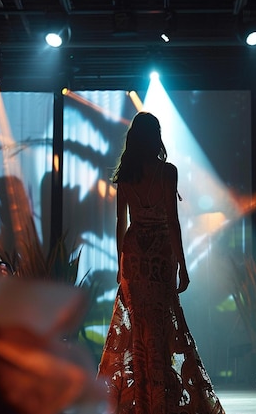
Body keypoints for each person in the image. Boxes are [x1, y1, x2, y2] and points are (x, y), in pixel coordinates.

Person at [97, 112, 225, 414]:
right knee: (161, 324)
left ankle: (142, 399)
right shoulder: (167, 172)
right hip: (159, 255)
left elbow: (121, 222)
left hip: (135, 257)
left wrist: (120, 264)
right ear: (155, 136)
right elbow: (173, 221)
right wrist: (182, 264)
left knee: (139, 329)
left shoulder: (126, 175)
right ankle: (160, 398)